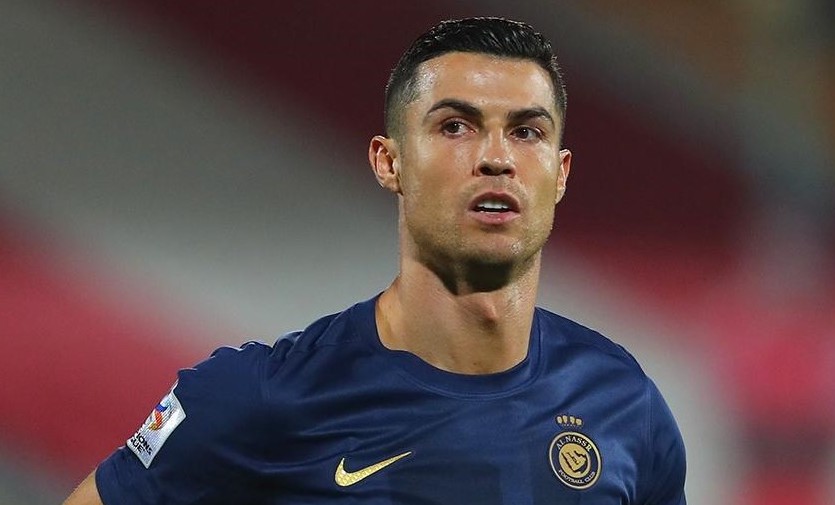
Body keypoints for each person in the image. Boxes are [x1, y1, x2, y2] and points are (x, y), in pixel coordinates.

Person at [64, 17, 686, 504]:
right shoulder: (260, 399)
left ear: (561, 172)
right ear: (390, 162)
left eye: (527, 132)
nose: (496, 158)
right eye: (455, 127)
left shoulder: (624, 404)